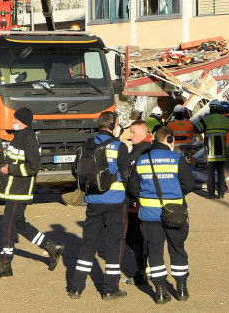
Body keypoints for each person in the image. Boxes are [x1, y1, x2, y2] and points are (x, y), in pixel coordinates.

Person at [0, 107, 64, 278]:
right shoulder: (19, 136)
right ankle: (51, 247)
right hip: (13, 188)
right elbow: (10, 160)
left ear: (22, 122)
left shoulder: (29, 137)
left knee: (8, 224)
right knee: (19, 223)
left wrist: (11, 169)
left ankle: (6, 263)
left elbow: (33, 166)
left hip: (20, 189)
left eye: (15, 119)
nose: (13, 121)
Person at [128, 126, 195, 304]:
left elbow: (133, 188)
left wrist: (138, 198)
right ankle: (181, 289)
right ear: (170, 139)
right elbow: (188, 185)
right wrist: (173, 193)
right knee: (177, 249)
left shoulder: (141, 161)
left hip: (149, 215)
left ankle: (159, 292)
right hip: (175, 213)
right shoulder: (176, 159)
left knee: (155, 251)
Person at [68, 111, 130, 300]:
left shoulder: (85, 146)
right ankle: (111, 289)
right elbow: (126, 174)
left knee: (88, 244)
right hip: (115, 202)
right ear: (113, 125)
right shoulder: (119, 146)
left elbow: (75, 171)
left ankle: (76, 288)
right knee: (114, 245)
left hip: (93, 201)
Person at [124, 120, 152, 286]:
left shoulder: (145, 152)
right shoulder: (136, 150)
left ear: (144, 133)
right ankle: (145, 268)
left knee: (138, 239)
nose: (130, 136)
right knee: (132, 238)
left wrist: (135, 198)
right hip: (133, 201)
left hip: (139, 202)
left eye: (133, 132)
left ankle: (142, 272)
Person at [198, 101, 229, 200]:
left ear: (211, 108)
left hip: (210, 152)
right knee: (221, 173)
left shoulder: (206, 119)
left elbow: (197, 129)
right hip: (221, 151)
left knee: (210, 174)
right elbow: (227, 129)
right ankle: (221, 193)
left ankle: (210, 194)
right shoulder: (224, 119)